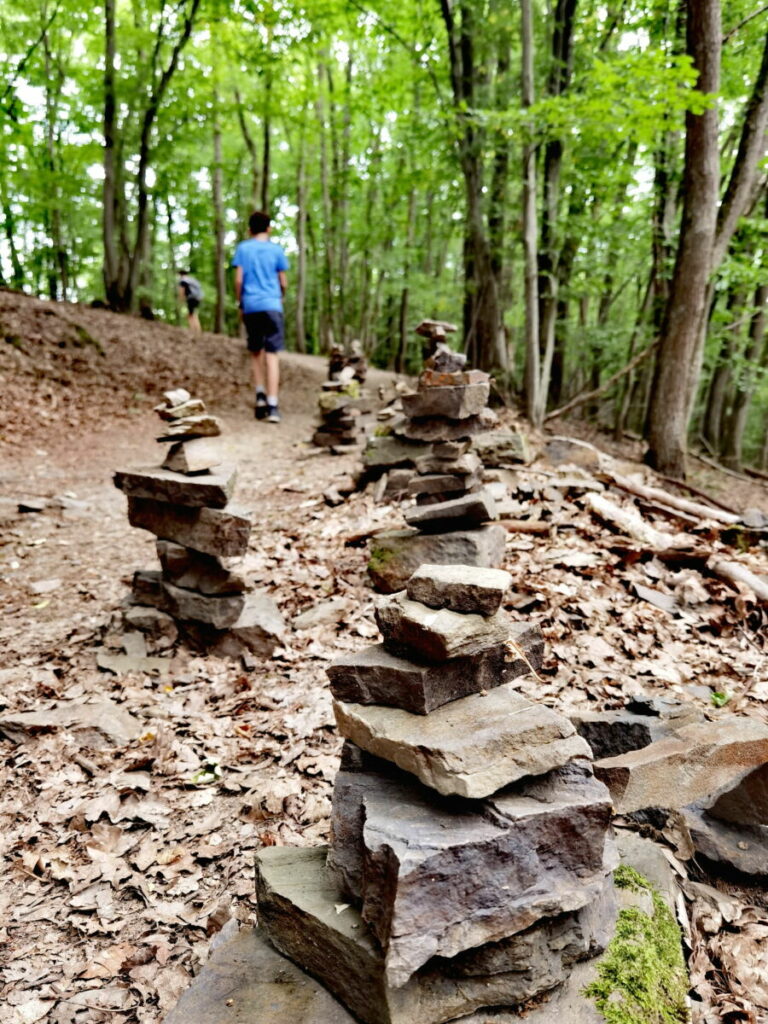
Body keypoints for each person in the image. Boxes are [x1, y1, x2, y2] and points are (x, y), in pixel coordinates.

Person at [232, 211, 289, 423]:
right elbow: (283, 282)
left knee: (256, 351)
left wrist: (241, 302)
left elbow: (238, 280)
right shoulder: (276, 250)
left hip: (251, 305)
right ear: (269, 228)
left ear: (249, 230)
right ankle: (273, 406)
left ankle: (260, 397)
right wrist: (280, 297)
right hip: (272, 305)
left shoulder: (243, 248)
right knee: (272, 354)